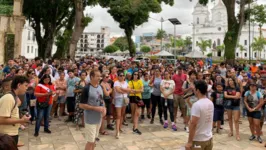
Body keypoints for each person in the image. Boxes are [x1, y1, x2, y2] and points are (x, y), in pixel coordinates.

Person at [79, 70, 106, 150]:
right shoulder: (86, 88)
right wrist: (95, 108)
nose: (99, 78)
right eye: (97, 76)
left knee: (94, 139)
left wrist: (104, 108)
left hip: (98, 118)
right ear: (91, 77)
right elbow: (81, 105)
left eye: (100, 76)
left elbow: (101, 99)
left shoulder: (100, 87)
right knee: (90, 141)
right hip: (90, 119)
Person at [0, 76, 31, 145]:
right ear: (19, 85)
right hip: (7, 135)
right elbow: (1, 120)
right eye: (25, 85)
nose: (27, 88)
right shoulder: (9, 98)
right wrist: (21, 120)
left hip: (10, 134)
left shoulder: (13, 96)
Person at [185, 80, 214, 150]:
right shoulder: (210, 102)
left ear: (197, 90)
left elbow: (193, 124)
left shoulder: (197, 105)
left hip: (198, 140)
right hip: (209, 138)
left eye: (194, 89)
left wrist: (189, 142)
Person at [113, 70, 131, 139]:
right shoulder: (116, 82)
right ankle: (117, 131)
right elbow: (118, 90)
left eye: (123, 75)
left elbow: (129, 89)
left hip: (125, 99)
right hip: (118, 99)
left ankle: (120, 128)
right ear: (118, 76)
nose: (122, 77)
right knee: (118, 115)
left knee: (122, 114)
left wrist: (123, 89)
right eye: (120, 75)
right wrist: (125, 90)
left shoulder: (126, 82)